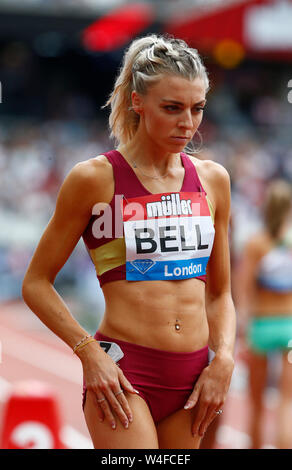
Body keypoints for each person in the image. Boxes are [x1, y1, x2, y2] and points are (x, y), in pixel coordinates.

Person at [22, 34, 236, 449]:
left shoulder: (214, 180)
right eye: (172, 108)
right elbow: (36, 283)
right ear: (138, 102)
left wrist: (224, 358)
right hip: (124, 372)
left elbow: (220, 291)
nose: (188, 124)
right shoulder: (94, 178)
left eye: (197, 109)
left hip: (193, 377)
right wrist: (88, 352)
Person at [237, 179, 292, 449]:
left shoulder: (256, 243)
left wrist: (244, 332)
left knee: (255, 402)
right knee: (288, 401)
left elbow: (244, 289)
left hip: (260, 327)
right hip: (290, 327)